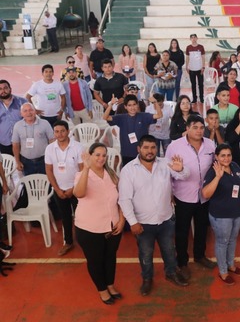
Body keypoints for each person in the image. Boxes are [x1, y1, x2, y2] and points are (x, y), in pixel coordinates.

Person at [119, 135, 190, 296]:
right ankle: (147, 279)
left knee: (169, 250)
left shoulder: (165, 163)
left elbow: (184, 176)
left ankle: (171, 273)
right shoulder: (128, 170)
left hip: (166, 219)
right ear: (139, 149)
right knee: (145, 253)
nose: (150, 151)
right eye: (146, 148)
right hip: (143, 223)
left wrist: (181, 169)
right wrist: (132, 222)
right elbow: (124, 199)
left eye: (153, 148)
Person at [165, 114, 218, 277]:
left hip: (204, 196)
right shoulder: (174, 146)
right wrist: (170, 194)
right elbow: (167, 172)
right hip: (183, 196)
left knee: (202, 228)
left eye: (202, 127)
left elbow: (214, 166)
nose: (199, 131)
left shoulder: (210, 144)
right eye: (195, 127)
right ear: (187, 129)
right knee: (182, 231)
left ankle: (200, 256)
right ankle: (182, 262)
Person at [73, 143, 124, 305]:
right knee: (95, 260)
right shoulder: (81, 175)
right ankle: (102, 289)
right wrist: (86, 168)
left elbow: (121, 199)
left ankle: (110, 284)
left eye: (104, 155)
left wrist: (122, 220)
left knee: (110, 257)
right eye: (97, 155)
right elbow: (79, 194)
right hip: (90, 228)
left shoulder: (111, 174)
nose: (101, 158)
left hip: (113, 226)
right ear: (90, 155)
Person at [202, 143, 240, 285]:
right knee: (222, 242)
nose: (226, 158)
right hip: (221, 216)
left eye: (228, 155)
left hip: (237, 212)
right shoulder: (213, 171)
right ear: (216, 156)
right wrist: (217, 177)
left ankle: (231, 264)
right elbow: (205, 194)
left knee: (233, 240)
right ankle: (223, 271)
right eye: (223, 155)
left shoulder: (235, 166)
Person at [45, 120, 83, 256]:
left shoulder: (77, 147)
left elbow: (82, 170)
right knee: (65, 217)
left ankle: (83, 242)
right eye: (56, 131)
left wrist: (73, 189)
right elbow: (49, 170)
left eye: (62, 131)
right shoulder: (50, 148)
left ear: (68, 131)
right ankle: (68, 242)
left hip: (76, 189)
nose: (59, 134)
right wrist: (57, 189)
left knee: (81, 217)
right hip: (59, 190)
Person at [103, 94, 162, 165]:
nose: (132, 107)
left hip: (142, 153)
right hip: (126, 152)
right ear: (125, 107)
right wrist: (111, 104)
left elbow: (159, 115)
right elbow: (105, 117)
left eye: (134, 104)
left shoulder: (144, 116)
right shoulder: (121, 118)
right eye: (129, 105)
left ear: (137, 105)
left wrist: (155, 102)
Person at [12, 103, 54, 175]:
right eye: (25, 111)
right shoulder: (17, 126)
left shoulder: (45, 123)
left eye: (31, 110)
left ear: (35, 111)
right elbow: (15, 145)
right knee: (29, 184)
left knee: (46, 183)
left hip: (44, 160)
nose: (29, 113)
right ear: (21, 114)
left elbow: (52, 140)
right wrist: (18, 161)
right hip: (26, 162)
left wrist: (52, 158)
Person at [0, 80, 28, 155]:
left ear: (10, 89)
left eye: (5, 88)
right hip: (4, 142)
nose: (3, 91)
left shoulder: (22, 101)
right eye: (0, 89)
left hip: (22, 141)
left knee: (22, 164)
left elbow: (30, 119)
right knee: (7, 164)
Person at [185, 33, 205, 104]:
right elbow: (187, 58)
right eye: (192, 38)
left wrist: (203, 67)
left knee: (201, 84)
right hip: (191, 69)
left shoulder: (201, 47)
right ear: (190, 39)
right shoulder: (188, 47)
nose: (193, 39)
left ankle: (202, 98)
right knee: (193, 84)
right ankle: (194, 98)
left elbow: (203, 57)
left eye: (194, 37)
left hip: (200, 68)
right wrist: (186, 66)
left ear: (197, 38)